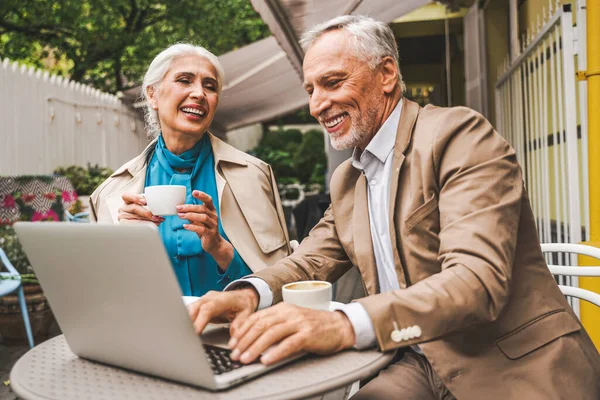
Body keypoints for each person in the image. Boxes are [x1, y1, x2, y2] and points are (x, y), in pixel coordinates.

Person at [187, 15, 600, 399]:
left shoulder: (460, 135)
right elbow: (310, 259)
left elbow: (475, 284)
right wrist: (248, 292)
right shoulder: (349, 177)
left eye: (332, 82)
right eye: (311, 90)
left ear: (386, 74)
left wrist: (344, 323)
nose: (317, 105)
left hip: (510, 365)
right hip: (419, 361)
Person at [89, 43, 292, 297]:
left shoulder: (253, 175)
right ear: (152, 95)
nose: (199, 93)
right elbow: (104, 292)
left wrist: (220, 248)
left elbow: (282, 280)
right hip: (155, 331)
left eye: (210, 86)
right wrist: (124, 243)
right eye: (184, 80)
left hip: (236, 331)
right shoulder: (111, 193)